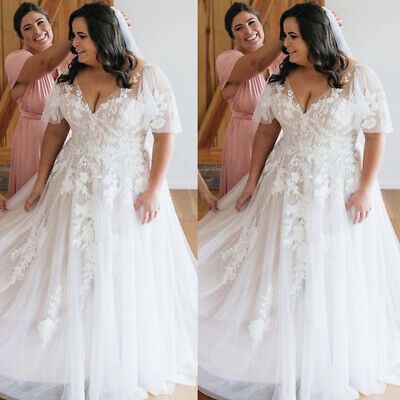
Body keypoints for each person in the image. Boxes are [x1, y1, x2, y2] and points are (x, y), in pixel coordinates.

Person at [198, 3, 400, 400]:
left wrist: (364, 188)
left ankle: (326, 333)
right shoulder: (281, 78)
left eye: (292, 36)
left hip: (337, 185)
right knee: (280, 255)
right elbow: (266, 133)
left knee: (330, 258)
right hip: (284, 181)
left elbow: (378, 132)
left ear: (315, 35)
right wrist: (253, 180)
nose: (284, 44)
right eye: (284, 35)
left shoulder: (358, 75)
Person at [0, 3, 196, 399]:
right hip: (73, 181)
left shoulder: (147, 76)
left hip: (127, 185)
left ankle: (117, 340)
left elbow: (165, 134)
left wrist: (155, 189)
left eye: (81, 36)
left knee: (118, 259)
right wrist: (40, 183)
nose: (73, 43)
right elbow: (55, 131)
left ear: (106, 35)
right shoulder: (69, 78)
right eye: (72, 35)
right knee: (69, 255)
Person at [215, 2, 284, 197]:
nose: (248, 30)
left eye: (252, 22)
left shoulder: (283, 58)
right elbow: (256, 63)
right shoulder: (228, 59)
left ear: (261, 26)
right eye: (239, 28)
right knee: (241, 202)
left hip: (279, 139)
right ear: (233, 36)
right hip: (245, 141)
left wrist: (331, 24)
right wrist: (286, 32)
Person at [5, 2, 73, 197]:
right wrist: (77, 32)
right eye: (27, 28)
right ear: (22, 36)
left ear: (50, 25)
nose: (36, 31)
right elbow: (45, 63)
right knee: (30, 206)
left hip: (68, 141)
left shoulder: (72, 58)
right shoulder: (17, 60)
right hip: (33, 143)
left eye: (40, 22)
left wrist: (119, 25)